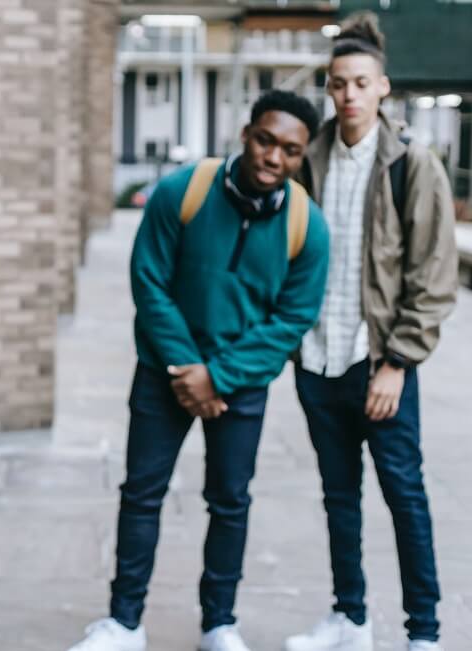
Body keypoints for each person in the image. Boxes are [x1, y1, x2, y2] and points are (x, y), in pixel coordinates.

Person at [68, 90, 329, 651]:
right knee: (142, 492)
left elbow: (293, 319)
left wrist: (220, 376)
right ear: (246, 133)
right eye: (265, 140)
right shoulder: (183, 191)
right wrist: (187, 367)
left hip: (241, 385)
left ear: (301, 156)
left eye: (289, 150)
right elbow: (149, 281)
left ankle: (219, 623)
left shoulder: (309, 225)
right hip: (164, 372)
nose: (273, 158)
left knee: (230, 500)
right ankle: (124, 622)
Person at [285, 13, 458, 651]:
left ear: (383, 87)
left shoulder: (413, 165)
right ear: (328, 89)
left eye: (361, 82)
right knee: (339, 498)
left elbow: (434, 277)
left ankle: (425, 632)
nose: (349, 94)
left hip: (378, 364)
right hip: (317, 359)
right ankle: (349, 618)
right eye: (338, 83)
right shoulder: (310, 160)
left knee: (403, 496)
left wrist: (398, 362)